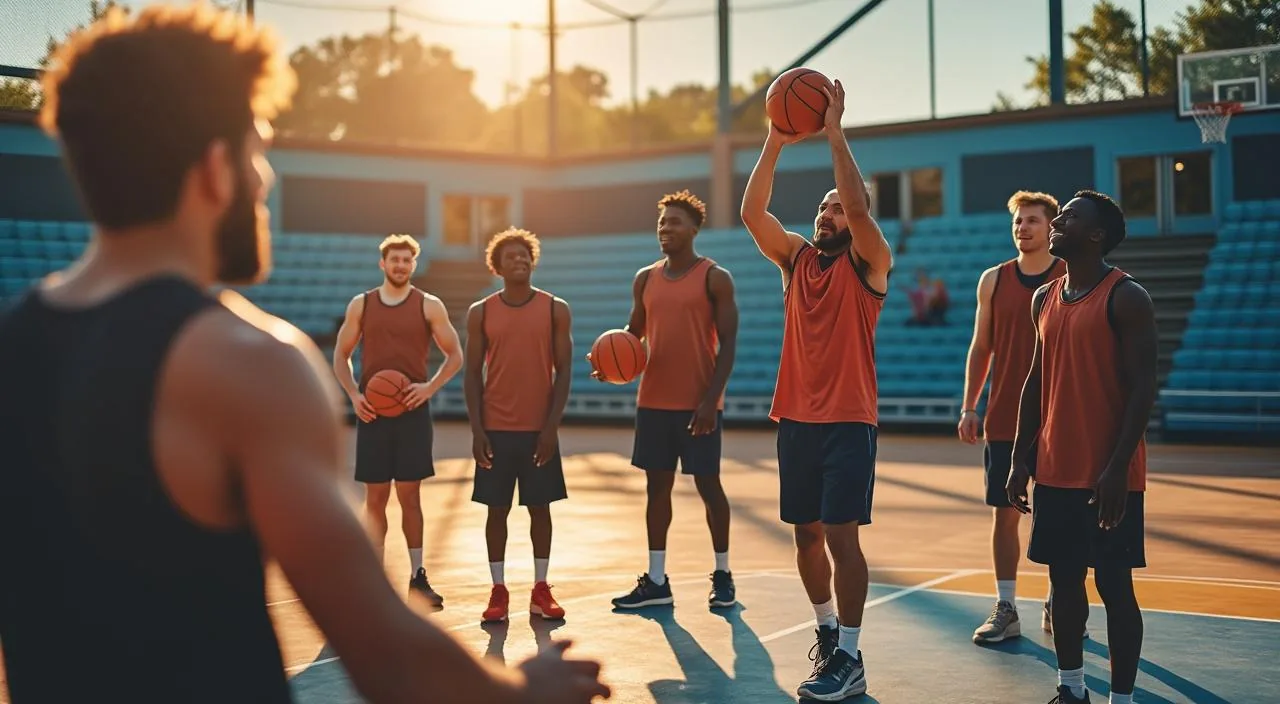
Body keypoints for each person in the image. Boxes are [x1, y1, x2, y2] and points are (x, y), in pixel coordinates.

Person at [0, 6, 611, 703]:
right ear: (214, 169)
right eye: (257, 151)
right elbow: (387, 654)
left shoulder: (14, 343)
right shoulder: (247, 362)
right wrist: (522, 692)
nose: (267, 182)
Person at [740, 79, 893, 702]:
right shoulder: (796, 260)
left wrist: (833, 130)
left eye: (838, 207)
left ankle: (852, 657)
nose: (829, 212)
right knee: (805, 535)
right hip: (797, 419)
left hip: (849, 421)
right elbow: (753, 214)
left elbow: (859, 212)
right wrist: (775, 142)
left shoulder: (871, 262)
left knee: (841, 537)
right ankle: (829, 634)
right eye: (823, 207)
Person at [1007, 190, 1156, 704]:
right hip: (1055, 468)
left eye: (1069, 216)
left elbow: (1143, 389)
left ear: (1095, 235)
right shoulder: (1043, 298)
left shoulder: (1127, 296)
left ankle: (1123, 698)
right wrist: (1019, 457)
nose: (1058, 221)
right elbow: (1035, 380)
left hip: (1109, 474)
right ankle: (1071, 688)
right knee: (1063, 585)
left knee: (1115, 588)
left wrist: (1118, 468)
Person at [605, 190, 740, 612]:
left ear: (694, 228)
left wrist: (710, 400)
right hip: (654, 401)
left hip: (698, 404)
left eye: (675, 222)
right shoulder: (644, 278)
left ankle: (722, 573)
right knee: (656, 489)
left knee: (708, 487)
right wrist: (612, 364)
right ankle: (657, 580)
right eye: (662, 222)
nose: (666, 229)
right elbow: (633, 336)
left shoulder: (715, 277)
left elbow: (729, 343)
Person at [959, 190, 1068, 644]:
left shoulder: (1069, 275)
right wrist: (970, 405)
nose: (1023, 228)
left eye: (1032, 221)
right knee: (1005, 515)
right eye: (1018, 221)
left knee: (1060, 516)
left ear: (1051, 228)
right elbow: (981, 347)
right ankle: (1007, 605)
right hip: (1005, 417)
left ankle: (1059, 602)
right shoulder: (993, 280)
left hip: (1061, 417)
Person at [333, 233, 462, 607]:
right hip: (373, 414)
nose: (401, 265)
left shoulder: (429, 305)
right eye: (394, 260)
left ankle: (417, 578)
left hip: (412, 414)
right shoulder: (363, 304)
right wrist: (354, 395)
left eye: (407, 260)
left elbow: (455, 355)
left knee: (410, 497)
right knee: (374, 499)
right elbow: (341, 357)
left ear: (414, 264)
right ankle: (372, 579)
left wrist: (429, 388)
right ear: (383, 264)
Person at [465, 228, 572, 625]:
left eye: (525, 255)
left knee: (540, 510)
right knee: (497, 511)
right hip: (495, 428)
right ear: (497, 266)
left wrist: (550, 429)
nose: (519, 260)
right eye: (510, 256)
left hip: (537, 430)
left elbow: (564, 373)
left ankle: (540, 589)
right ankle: (498, 590)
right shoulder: (481, 312)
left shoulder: (554, 308)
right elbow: (472, 374)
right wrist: (477, 430)